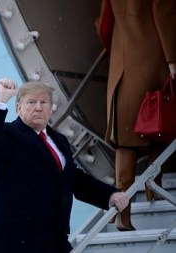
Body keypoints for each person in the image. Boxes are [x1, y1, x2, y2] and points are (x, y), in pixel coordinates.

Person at [0, 79, 130, 253]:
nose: (38, 107)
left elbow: (72, 178)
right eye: (31, 102)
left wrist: (109, 194)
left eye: (43, 102)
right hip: (16, 241)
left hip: (54, 237)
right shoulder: (9, 135)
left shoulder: (58, 140)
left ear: (50, 108)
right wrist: (1, 99)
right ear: (19, 108)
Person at [96, 0, 176, 231]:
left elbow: (105, 24)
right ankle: (154, 184)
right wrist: (172, 58)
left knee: (126, 138)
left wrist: (120, 47)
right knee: (163, 121)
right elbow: (164, 11)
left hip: (123, 58)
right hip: (154, 56)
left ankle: (122, 213)